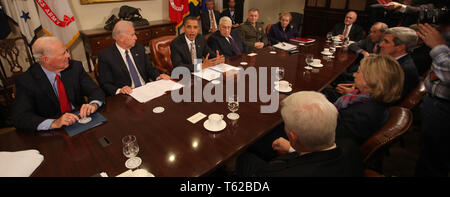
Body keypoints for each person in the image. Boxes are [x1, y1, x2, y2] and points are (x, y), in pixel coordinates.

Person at [235, 91, 364, 177]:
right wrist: (292, 149)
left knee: (244, 158)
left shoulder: (276, 173)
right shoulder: (351, 147)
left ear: (293, 137)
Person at [12, 37, 105, 132]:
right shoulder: (26, 81)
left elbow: (95, 90)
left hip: (80, 121)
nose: (68, 55)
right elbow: (20, 117)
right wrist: (53, 123)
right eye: (63, 53)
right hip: (53, 132)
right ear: (46, 59)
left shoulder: (75, 67)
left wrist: (93, 104)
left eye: (66, 51)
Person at [332, 55, 405, 145]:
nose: (354, 75)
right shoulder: (367, 99)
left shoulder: (364, 113)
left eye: (358, 72)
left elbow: (332, 135)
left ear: (370, 80)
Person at [97, 21, 170, 96]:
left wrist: (158, 77)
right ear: (121, 38)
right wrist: (120, 90)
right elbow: (105, 84)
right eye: (132, 35)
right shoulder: (106, 56)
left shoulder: (139, 48)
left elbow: (149, 69)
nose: (136, 37)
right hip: (127, 95)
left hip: (146, 90)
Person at [415, 23, 450, 177]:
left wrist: (438, 47)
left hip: (444, 107)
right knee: (428, 156)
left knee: (433, 163)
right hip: (435, 102)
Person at [379, 26, 420, 99]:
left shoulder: (404, 69)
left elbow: (387, 98)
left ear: (400, 47)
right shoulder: (393, 61)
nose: (381, 44)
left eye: (386, 41)